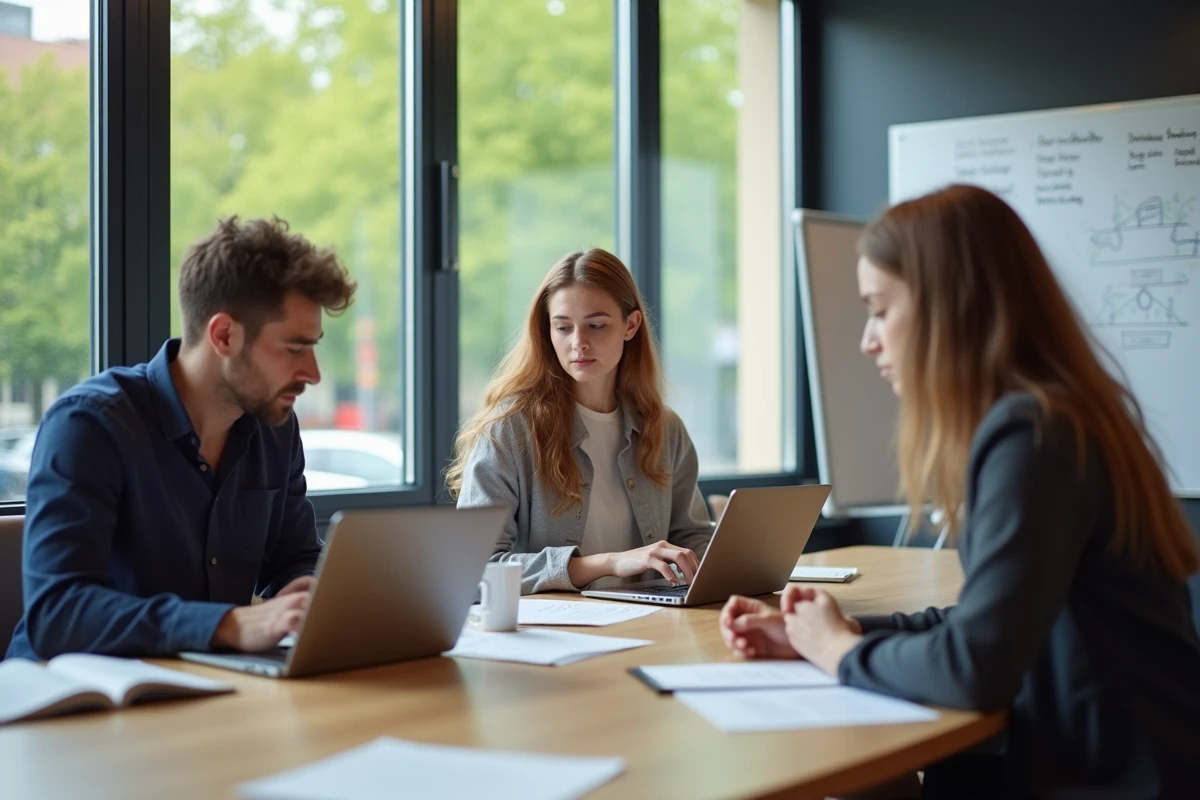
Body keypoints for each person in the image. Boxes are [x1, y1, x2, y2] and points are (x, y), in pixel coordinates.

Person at [719, 185, 1200, 797]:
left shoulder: (1031, 435)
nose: (868, 341)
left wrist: (838, 652)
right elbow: (986, 621)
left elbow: (977, 668)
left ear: (950, 306)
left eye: (880, 309)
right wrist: (833, 632)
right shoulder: (1059, 416)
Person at [7, 216, 357, 660]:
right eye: (293, 349)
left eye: (313, 347)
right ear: (224, 335)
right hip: (66, 702)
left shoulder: (275, 425)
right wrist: (229, 624)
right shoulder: (89, 425)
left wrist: (304, 597)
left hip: (201, 688)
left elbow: (295, 555)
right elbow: (58, 613)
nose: (313, 373)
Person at [447, 248, 713, 595]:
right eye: (563, 327)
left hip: (652, 626)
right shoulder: (509, 429)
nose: (579, 343)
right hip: (550, 639)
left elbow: (692, 538)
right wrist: (610, 563)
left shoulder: (665, 428)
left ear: (630, 325)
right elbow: (476, 566)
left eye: (596, 325)